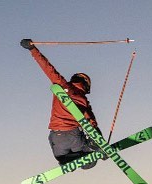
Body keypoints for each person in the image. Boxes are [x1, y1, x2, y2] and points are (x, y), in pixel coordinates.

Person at [21, 37, 100, 168]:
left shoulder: (63, 85)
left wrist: (32, 49)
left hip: (56, 136)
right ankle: (89, 151)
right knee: (90, 164)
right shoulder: (83, 100)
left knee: (61, 156)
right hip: (74, 136)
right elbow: (91, 122)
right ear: (86, 85)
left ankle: (64, 159)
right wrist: (99, 141)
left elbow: (48, 68)